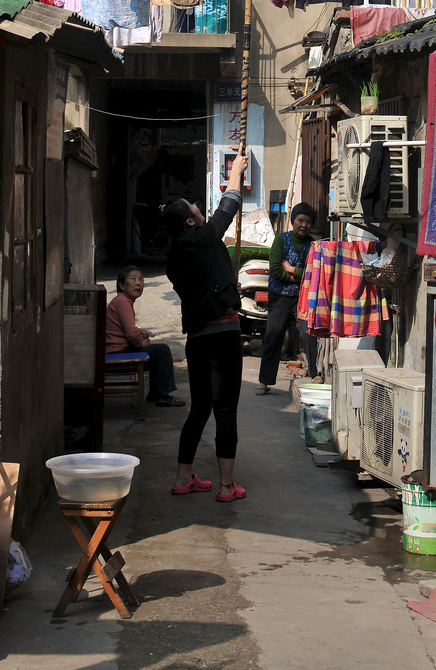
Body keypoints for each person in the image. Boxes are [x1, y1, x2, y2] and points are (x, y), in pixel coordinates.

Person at [162, 143, 249, 503]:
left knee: (200, 408)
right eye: (193, 207)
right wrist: (235, 174)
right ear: (189, 220)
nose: (199, 207)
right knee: (225, 410)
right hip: (224, 333)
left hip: (197, 339)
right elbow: (225, 212)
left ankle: (184, 477)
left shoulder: (176, 255)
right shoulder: (202, 238)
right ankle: (227, 487)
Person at [256, 202, 317, 395]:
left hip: (302, 297)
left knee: (309, 334)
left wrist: (290, 269)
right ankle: (264, 382)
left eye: (308, 222)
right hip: (280, 296)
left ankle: (315, 373)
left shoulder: (313, 245)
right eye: (300, 220)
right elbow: (274, 270)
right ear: (292, 221)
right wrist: (299, 276)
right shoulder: (281, 240)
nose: (304, 225)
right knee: (274, 336)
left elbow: (313, 273)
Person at [106, 266, 185, 407]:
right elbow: (130, 333)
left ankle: (155, 394)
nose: (138, 283)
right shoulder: (123, 302)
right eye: (133, 279)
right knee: (162, 351)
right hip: (117, 352)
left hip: (114, 350)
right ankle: (162, 395)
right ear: (122, 285)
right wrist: (140, 344)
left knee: (157, 351)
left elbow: (124, 327)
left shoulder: (121, 300)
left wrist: (140, 330)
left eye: (141, 279)